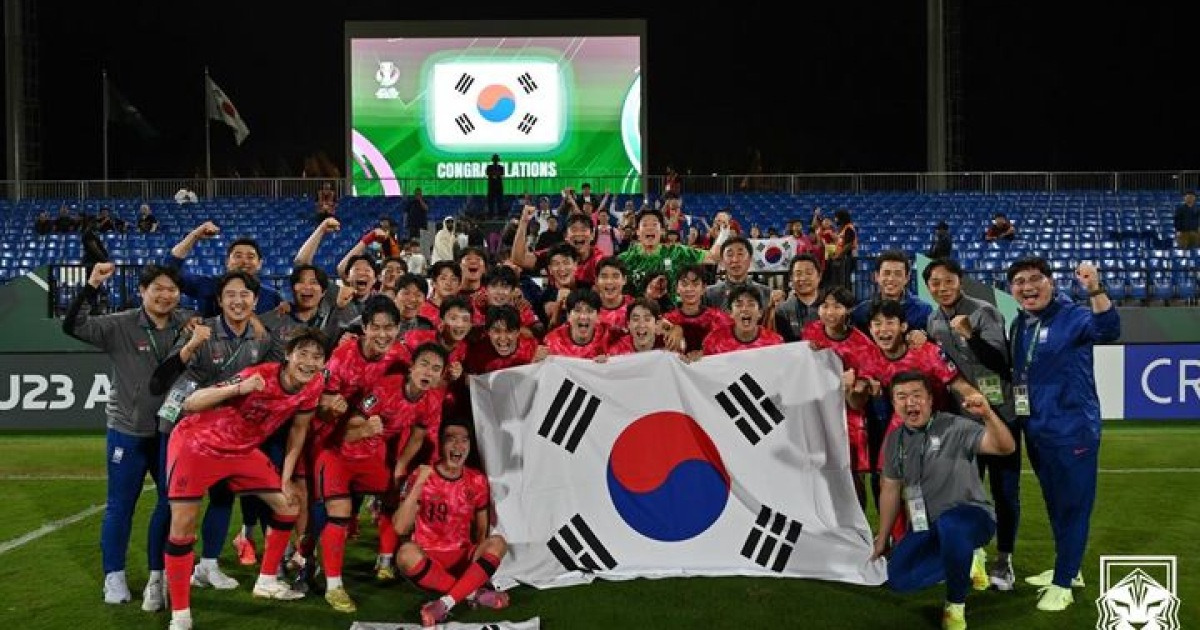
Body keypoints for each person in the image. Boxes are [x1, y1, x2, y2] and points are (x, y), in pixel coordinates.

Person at [163, 329, 329, 630]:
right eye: (302, 354)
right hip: (198, 444)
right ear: (288, 356)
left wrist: (286, 478)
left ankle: (266, 580)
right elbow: (191, 403)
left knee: (288, 505)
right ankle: (181, 614)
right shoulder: (259, 374)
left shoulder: (315, 385)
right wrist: (238, 389)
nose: (309, 362)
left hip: (242, 450)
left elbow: (298, 432)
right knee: (182, 526)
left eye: (317, 356)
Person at [61, 263, 191, 606]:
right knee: (120, 507)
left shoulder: (187, 323)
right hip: (128, 432)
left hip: (170, 433)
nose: (165, 295)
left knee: (171, 504)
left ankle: (157, 575)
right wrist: (90, 286)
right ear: (142, 291)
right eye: (158, 288)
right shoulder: (120, 324)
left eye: (172, 289)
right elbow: (73, 325)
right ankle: (114, 576)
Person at [147, 271, 274, 602]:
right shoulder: (199, 330)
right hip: (181, 427)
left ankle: (208, 565)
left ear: (255, 301)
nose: (237, 300)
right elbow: (162, 380)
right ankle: (156, 577)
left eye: (245, 294)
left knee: (222, 498)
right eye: (230, 294)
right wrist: (192, 343)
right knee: (171, 504)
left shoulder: (260, 340)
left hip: (222, 435)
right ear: (219, 300)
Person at [1006, 258, 1119, 611]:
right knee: (1056, 503)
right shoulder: (1020, 322)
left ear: (1051, 282)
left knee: (1073, 507)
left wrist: (1094, 288)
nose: (1028, 286)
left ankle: (1063, 583)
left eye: (1036, 279)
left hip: (1073, 430)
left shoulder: (1074, 315)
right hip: (1037, 430)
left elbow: (1109, 329)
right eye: (1019, 281)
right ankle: (1069, 569)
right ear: (1012, 290)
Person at [872, 371, 1016, 630]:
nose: (910, 402)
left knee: (953, 525)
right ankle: (965, 559)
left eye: (917, 395)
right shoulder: (895, 440)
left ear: (930, 400)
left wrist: (987, 415)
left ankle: (955, 606)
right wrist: (883, 537)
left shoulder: (955, 426)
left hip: (971, 517)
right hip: (926, 524)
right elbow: (891, 489)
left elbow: (1005, 447)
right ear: (893, 404)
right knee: (899, 579)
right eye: (901, 397)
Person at [317, 343, 448, 613]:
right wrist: (365, 429)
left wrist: (400, 465)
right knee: (339, 514)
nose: (429, 372)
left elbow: (419, 434)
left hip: (370, 458)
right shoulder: (385, 388)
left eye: (436, 369)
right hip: (338, 454)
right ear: (411, 367)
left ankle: (385, 561)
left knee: (394, 493)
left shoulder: (432, 399)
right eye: (424, 364)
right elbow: (345, 432)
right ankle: (332, 585)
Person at [924, 258, 1020, 590]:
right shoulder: (933, 320)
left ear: (959, 281)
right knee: (966, 491)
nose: (941, 288)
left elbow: (1002, 362)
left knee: (1005, 492)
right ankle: (973, 555)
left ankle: (1004, 560)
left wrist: (972, 335)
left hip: (1001, 415)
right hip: (963, 422)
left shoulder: (985, 312)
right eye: (934, 283)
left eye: (947, 281)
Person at [394, 421, 511, 626]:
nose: (458, 446)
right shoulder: (422, 475)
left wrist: (478, 562)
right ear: (441, 444)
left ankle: (444, 603)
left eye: (464, 440)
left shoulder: (477, 480)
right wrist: (419, 482)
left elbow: (482, 529)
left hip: (462, 556)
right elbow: (400, 527)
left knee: (498, 542)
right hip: (429, 561)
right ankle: (473, 593)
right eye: (451, 439)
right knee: (405, 554)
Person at [163, 221, 282, 316]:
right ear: (227, 262)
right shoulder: (207, 286)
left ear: (260, 263)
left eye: (250, 257)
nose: (244, 261)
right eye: (238, 256)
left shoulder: (271, 296)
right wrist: (195, 235)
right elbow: (169, 271)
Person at [851, 250, 933, 334]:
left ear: (907, 278)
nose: (891, 279)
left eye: (898, 274)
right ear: (876, 276)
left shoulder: (923, 311)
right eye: (886, 273)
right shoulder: (862, 311)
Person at [701, 285, 783, 356]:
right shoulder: (713, 341)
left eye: (751, 304)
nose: (745, 309)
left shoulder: (775, 342)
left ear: (760, 312)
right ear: (730, 313)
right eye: (739, 305)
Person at [705, 236, 773, 312]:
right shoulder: (709, 294)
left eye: (740, 254)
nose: (735, 260)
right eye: (730, 255)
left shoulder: (766, 293)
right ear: (722, 262)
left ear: (750, 260)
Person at [544, 289, 616, 359]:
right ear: (568, 316)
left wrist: (610, 359)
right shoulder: (552, 341)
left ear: (598, 316)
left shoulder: (610, 335)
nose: (583, 316)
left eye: (590, 311)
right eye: (577, 310)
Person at [776, 254, 823, 342]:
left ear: (819, 276)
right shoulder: (782, 310)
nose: (803, 278)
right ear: (791, 278)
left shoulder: (830, 308)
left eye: (809, 273)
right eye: (798, 273)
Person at [827, 209, 858, 291]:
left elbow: (849, 244)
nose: (835, 219)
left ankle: (847, 299)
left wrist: (838, 255)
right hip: (843, 258)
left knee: (845, 281)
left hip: (847, 258)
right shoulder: (843, 228)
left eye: (836, 218)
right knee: (841, 280)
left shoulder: (849, 228)